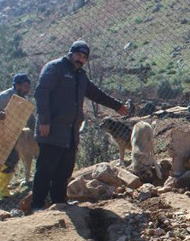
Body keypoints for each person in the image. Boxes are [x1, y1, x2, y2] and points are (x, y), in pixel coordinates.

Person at [31, 40, 128, 211]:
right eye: (78, 55)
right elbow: (41, 92)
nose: (80, 59)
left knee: (65, 168)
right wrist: (44, 121)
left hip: (71, 132)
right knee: (45, 168)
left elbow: (96, 94)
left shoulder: (80, 76)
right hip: (52, 129)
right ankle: (37, 205)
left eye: (84, 57)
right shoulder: (55, 68)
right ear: (70, 53)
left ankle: (59, 201)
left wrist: (117, 105)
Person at [0, 73, 32, 197]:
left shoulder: (24, 99)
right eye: (25, 85)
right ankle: (2, 190)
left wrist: (35, 128)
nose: (28, 88)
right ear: (17, 85)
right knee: (7, 159)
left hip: (11, 133)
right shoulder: (5, 96)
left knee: (13, 158)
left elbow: (29, 117)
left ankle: (2, 185)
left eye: (28, 85)